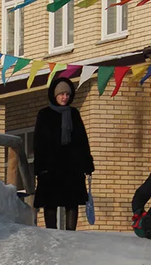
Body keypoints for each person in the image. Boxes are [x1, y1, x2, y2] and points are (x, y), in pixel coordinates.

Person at [33, 78, 94, 231]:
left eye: (67, 94)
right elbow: (38, 142)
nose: (64, 97)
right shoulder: (44, 115)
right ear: (55, 95)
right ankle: (51, 233)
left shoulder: (74, 114)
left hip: (72, 167)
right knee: (50, 202)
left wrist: (87, 163)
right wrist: (40, 167)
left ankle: (71, 234)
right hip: (50, 167)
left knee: (72, 202)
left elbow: (82, 140)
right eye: (61, 94)